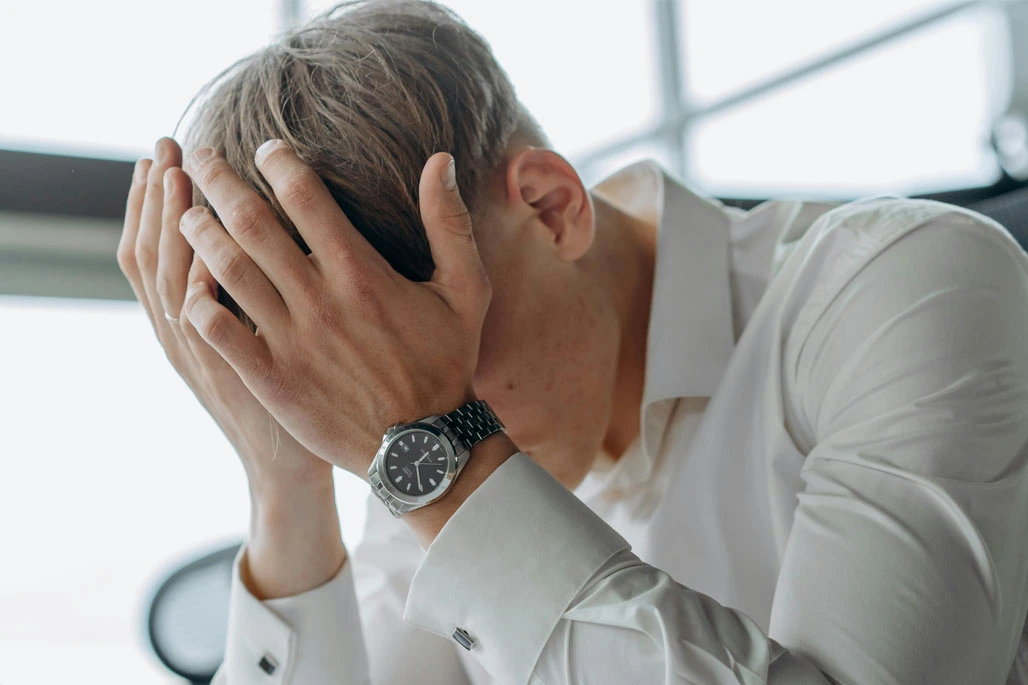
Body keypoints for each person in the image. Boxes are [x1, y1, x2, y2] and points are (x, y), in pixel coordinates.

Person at [117, 1, 1028, 683]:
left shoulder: (904, 285)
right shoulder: (414, 452)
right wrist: (287, 483)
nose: (402, 418)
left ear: (551, 208)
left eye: (429, 356)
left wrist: (439, 440)